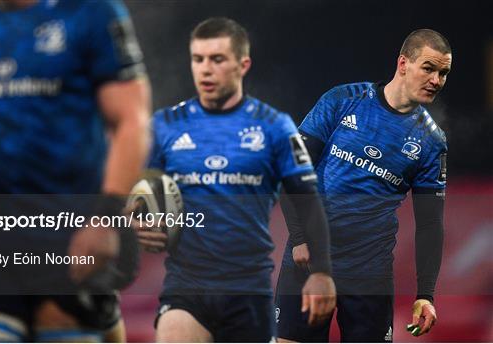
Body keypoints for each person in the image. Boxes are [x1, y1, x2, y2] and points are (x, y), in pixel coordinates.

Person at [0, 0, 151, 342]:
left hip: (68, 232)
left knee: (65, 328)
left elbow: (131, 120)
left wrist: (107, 217)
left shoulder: (92, 12)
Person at [136, 17, 336, 342]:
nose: (205, 69)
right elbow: (138, 194)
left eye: (217, 59)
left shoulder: (275, 127)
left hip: (248, 292)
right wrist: (136, 223)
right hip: (187, 288)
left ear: (243, 65)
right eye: (198, 59)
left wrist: (323, 271)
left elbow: (307, 199)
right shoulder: (166, 126)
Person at [275, 29, 451, 342]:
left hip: (369, 273)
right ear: (403, 63)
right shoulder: (342, 100)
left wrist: (426, 294)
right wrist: (300, 237)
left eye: (443, 73)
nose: (436, 80)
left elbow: (430, 224)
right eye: (428, 68)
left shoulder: (431, 141)